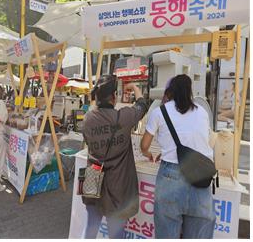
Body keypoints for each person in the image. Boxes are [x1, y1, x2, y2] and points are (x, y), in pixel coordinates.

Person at [141, 74, 216, 239]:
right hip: (200, 176)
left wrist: (150, 154)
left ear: (170, 91)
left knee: (167, 233)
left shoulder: (159, 112)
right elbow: (199, 140)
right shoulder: (202, 111)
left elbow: (144, 146)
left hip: (169, 177)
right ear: (189, 91)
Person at [81, 75, 149, 239]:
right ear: (114, 96)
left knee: (90, 229)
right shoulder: (123, 117)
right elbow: (142, 105)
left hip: (92, 178)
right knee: (116, 235)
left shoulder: (87, 119)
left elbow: (88, 141)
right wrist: (134, 88)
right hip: (118, 185)